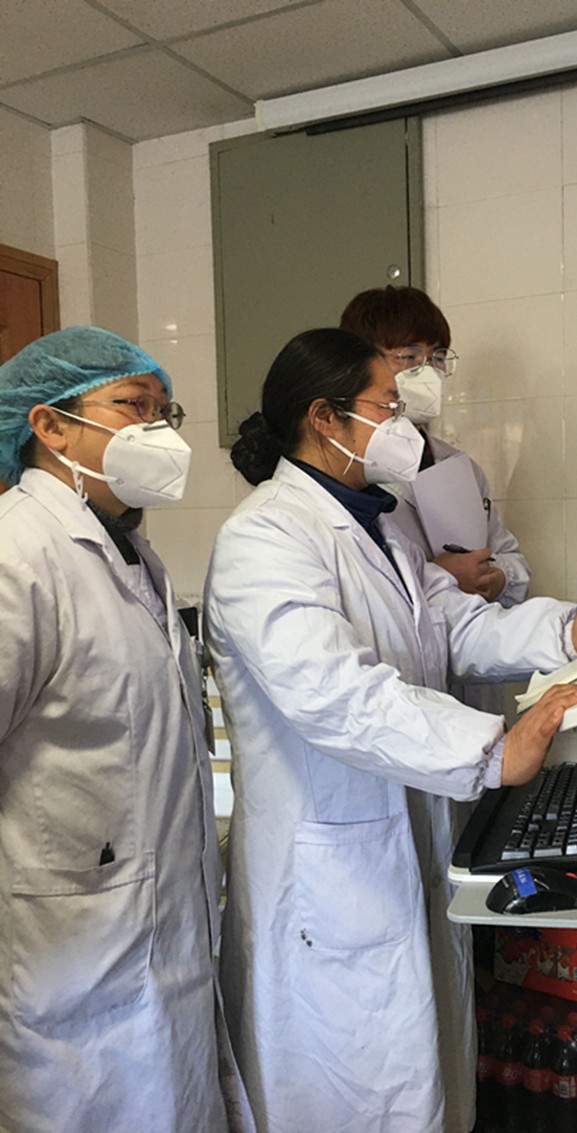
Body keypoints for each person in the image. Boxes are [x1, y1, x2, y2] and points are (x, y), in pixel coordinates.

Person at [203, 327, 577, 1133]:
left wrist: (564, 630)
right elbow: (335, 694)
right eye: (386, 405)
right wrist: (492, 749)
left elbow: (457, 626)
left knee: (421, 1080)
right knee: (348, 1094)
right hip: (330, 878)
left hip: (406, 843)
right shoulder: (264, 537)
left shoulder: (385, 522)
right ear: (325, 418)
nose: (402, 423)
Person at [0, 327, 254, 1133]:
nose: (158, 430)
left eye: (163, 411)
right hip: (67, 955)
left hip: (154, 933)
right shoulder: (16, 553)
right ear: (49, 425)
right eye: (134, 407)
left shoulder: (133, 553)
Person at [340, 285, 530, 717]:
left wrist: (496, 578)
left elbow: (513, 560)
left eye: (438, 356)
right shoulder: (351, 475)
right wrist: (440, 578)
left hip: (474, 690)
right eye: (409, 356)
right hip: (402, 698)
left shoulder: (460, 467)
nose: (427, 371)